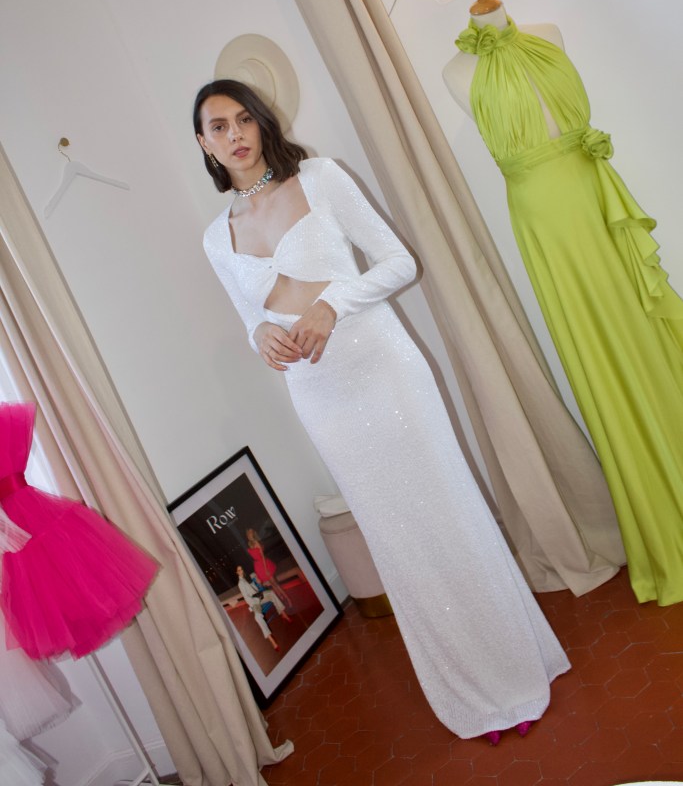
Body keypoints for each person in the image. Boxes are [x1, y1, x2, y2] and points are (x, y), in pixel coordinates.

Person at [195, 78, 569, 744]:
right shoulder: (215, 238)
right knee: (399, 541)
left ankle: (517, 669)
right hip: (321, 396)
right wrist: (261, 336)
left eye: (243, 119)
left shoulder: (319, 177)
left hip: (383, 370)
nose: (234, 135)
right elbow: (250, 318)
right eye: (218, 126)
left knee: (450, 515)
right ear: (204, 144)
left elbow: (400, 263)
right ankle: (471, 689)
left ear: (262, 123)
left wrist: (332, 304)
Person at [443, 0, 683, 607]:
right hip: (545, 221)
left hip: (594, 194)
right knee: (602, 356)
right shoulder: (455, 72)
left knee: (646, 332)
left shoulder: (546, 34)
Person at [235, 565, 291, 651]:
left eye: (241, 569)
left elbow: (255, 578)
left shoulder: (248, 577)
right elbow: (246, 597)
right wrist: (253, 605)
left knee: (271, 593)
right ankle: (271, 640)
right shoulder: (241, 583)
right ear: (237, 572)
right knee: (258, 618)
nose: (241, 571)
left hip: (259, 596)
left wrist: (258, 579)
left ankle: (284, 614)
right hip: (254, 601)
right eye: (239, 570)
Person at [244, 527, 289, 608]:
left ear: (253, 534)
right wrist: (257, 573)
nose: (249, 535)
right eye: (248, 534)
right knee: (272, 584)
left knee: (275, 583)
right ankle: (281, 599)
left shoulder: (257, 543)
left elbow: (263, 557)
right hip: (258, 566)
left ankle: (288, 599)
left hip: (264, 564)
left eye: (251, 533)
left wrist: (266, 569)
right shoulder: (249, 544)